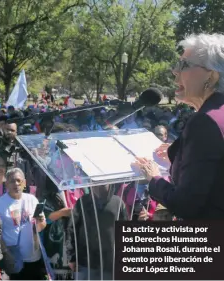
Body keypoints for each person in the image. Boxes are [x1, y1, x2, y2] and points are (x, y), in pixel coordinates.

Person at [135, 33, 224, 219]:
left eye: (184, 64)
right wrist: (183, 159)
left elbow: (185, 204)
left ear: (212, 76)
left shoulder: (204, 122)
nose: (175, 70)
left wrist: (154, 178)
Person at [0, 168, 47, 280]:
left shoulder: (32, 200)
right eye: (12, 181)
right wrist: (6, 253)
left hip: (33, 257)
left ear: (24, 183)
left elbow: (42, 226)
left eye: (19, 180)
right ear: (6, 184)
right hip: (13, 259)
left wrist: (40, 221)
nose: (16, 184)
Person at [66, 184, 128, 280]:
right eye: (95, 182)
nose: (99, 185)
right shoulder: (83, 202)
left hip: (110, 263)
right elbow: (72, 229)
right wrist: (71, 257)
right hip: (85, 261)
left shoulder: (118, 203)